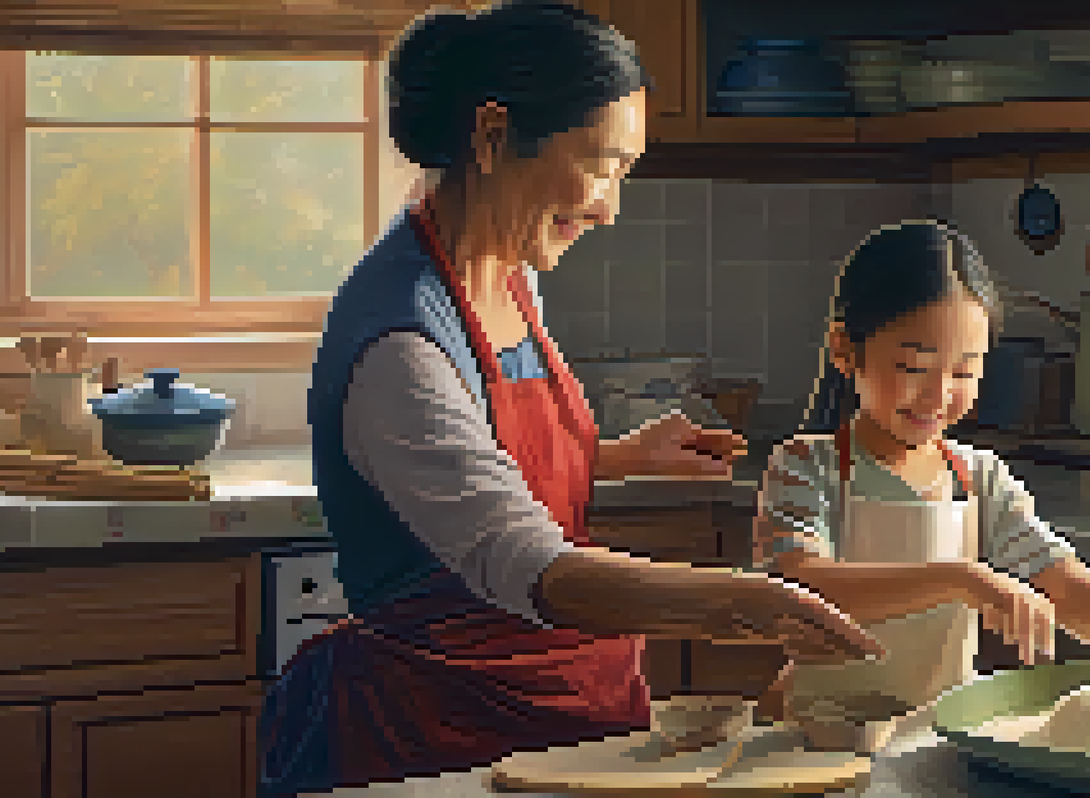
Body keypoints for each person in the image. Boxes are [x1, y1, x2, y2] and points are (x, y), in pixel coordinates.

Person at [259, 4, 879, 795]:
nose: (610, 208)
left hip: (565, 712)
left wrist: (614, 456)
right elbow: (527, 563)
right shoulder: (401, 342)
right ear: (492, 137)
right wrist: (734, 601)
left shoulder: (510, 275)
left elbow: (479, 467)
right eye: (601, 165)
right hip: (433, 728)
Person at [751, 219, 1090, 738]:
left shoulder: (979, 477)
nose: (938, 396)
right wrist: (961, 578)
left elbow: (1061, 582)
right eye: (913, 366)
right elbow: (799, 586)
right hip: (817, 739)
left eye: (963, 372)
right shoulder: (805, 467)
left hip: (936, 737)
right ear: (845, 350)